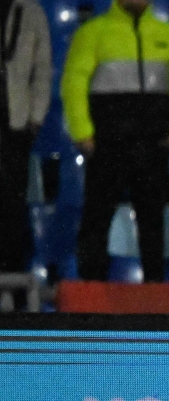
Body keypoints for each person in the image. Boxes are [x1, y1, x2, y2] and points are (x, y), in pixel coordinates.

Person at [63, 0, 169, 282]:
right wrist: (82, 132)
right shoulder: (93, 32)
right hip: (108, 144)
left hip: (152, 145)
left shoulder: (168, 34)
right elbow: (74, 82)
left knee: (153, 225)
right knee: (97, 220)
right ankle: (92, 297)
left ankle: (154, 300)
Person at [0, 0, 50, 275]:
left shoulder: (31, 12)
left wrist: (36, 116)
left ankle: (13, 280)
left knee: (12, 206)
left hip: (15, 124)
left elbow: (42, 69)